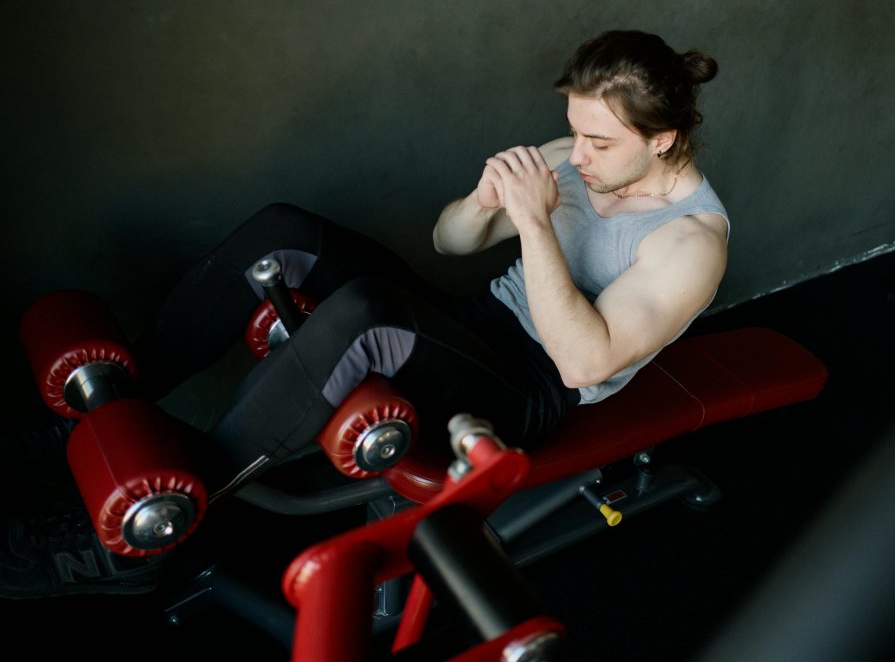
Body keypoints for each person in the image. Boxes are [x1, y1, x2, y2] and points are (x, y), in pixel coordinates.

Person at [0, 30, 728, 598]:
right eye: (578, 132)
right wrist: (483, 201)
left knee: (367, 314)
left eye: (601, 143)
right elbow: (451, 241)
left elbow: (584, 362)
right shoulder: (574, 153)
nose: (582, 154)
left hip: (531, 387)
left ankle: (143, 533)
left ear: (661, 138)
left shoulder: (690, 242)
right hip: (474, 321)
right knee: (285, 232)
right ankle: (99, 426)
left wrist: (536, 224)